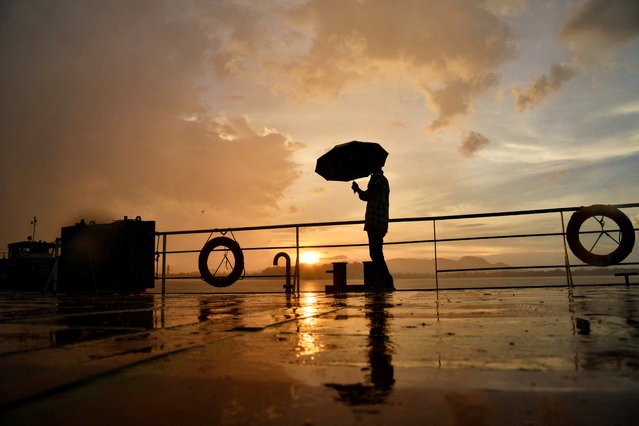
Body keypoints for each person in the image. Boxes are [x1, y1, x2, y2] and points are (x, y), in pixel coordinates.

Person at [351, 167, 394, 291]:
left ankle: (387, 281)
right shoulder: (384, 180)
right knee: (377, 253)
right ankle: (382, 282)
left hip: (374, 221)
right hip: (382, 222)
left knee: (375, 253)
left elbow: (367, 196)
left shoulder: (375, 179)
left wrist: (357, 189)